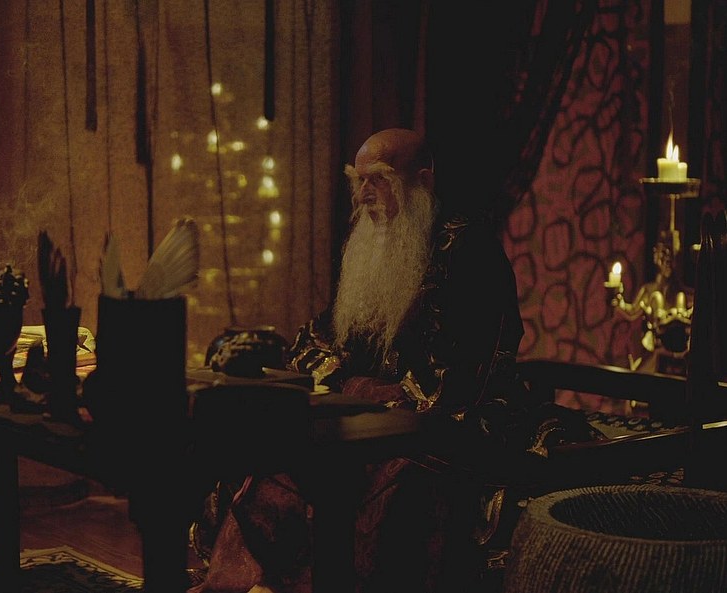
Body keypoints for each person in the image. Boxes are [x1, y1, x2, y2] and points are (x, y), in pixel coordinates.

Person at [189, 128, 595, 593]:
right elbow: (313, 341)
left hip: (451, 424)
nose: (364, 194)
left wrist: (357, 389)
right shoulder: (371, 250)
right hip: (362, 419)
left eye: (378, 179)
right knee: (272, 457)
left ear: (422, 180)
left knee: (395, 483)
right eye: (359, 181)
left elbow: (463, 377)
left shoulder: (470, 251)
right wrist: (348, 384)